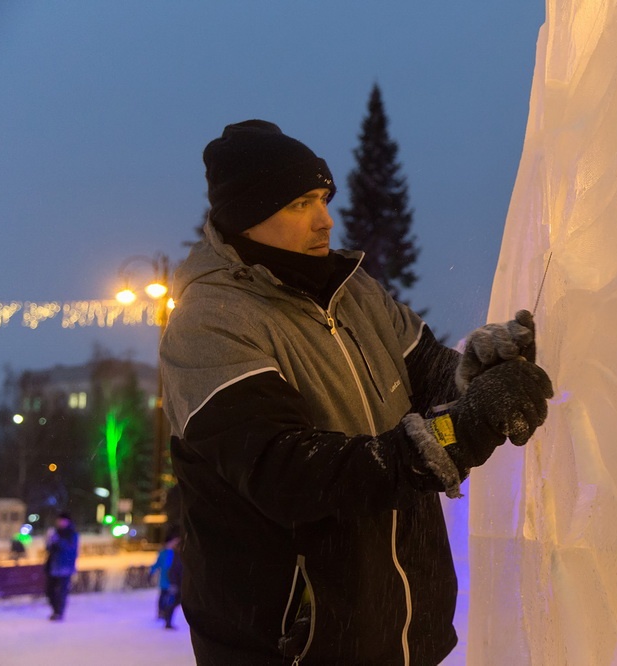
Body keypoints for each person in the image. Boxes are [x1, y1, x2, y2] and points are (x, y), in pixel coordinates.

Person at [160, 120, 554, 665]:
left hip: (401, 634)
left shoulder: (356, 292)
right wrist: (456, 434)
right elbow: (290, 472)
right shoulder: (212, 323)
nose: (325, 219)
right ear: (247, 215)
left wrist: (477, 372)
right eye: (300, 204)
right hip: (293, 646)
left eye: (323, 198)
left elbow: (431, 375)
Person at [44, 512, 78, 621]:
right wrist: (49, 540)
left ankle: (59, 612)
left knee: (61, 591)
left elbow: (69, 549)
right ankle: (55, 610)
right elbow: (49, 549)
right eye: (59, 520)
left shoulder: (71, 534)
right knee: (49, 591)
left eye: (63, 521)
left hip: (65, 567)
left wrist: (57, 541)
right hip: (52, 566)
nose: (60, 523)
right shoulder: (55, 532)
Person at [150, 530, 184, 629]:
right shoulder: (165, 552)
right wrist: (151, 572)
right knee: (165, 597)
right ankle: (162, 613)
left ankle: (165, 614)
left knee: (170, 598)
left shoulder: (177, 552)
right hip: (166, 580)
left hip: (173, 580)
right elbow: (159, 563)